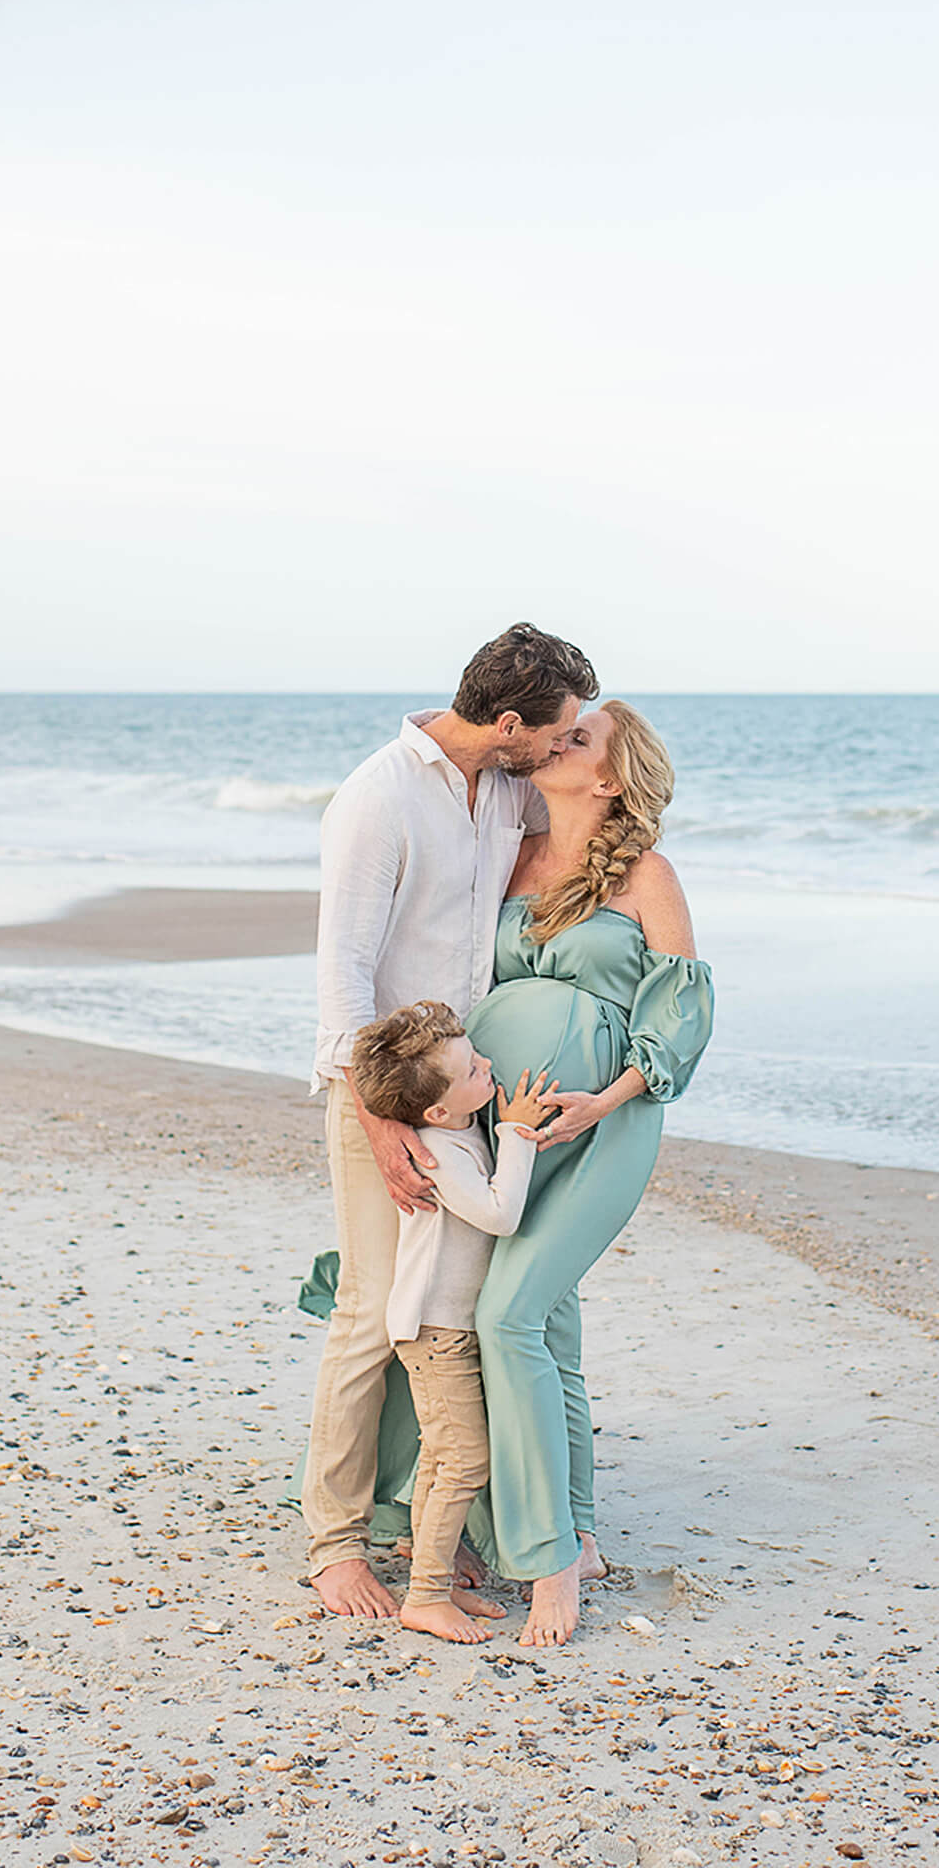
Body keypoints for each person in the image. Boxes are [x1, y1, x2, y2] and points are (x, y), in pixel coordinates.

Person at [302, 622, 598, 1618]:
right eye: (554, 734)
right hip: (383, 1093)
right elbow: (342, 971)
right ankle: (335, 1542)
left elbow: (569, 833)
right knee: (369, 1311)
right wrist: (379, 1118)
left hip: (464, 1091)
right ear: (507, 721)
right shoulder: (376, 796)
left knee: (454, 1313)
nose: (560, 750)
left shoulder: (508, 786)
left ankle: (436, 1522)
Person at [460, 698, 714, 1646]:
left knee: (508, 1316)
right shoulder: (508, 859)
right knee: (546, 1324)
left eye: (577, 739)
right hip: (506, 1127)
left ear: (608, 778)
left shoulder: (647, 874)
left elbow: (681, 1012)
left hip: (607, 1123)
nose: (553, 744)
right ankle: (583, 1530)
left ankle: (547, 1559)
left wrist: (600, 1102)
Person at [349, 1001, 558, 1643]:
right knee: (463, 1461)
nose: (488, 1065)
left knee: (446, 1459)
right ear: (436, 1110)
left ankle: (430, 1583)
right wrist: (519, 1134)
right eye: (472, 1067)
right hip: (436, 1333)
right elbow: (499, 1216)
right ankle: (426, 1596)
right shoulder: (442, 1150)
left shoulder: (455, 1130)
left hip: (443, 1327)